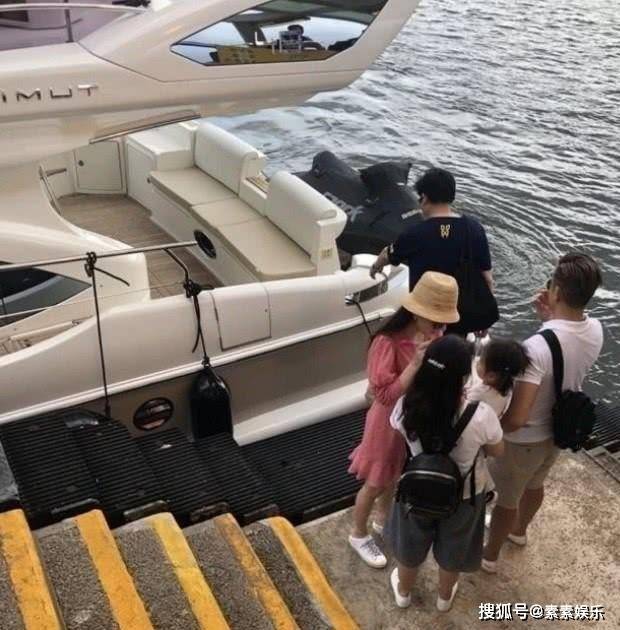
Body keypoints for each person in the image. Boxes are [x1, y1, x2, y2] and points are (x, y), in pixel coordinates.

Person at [482, 253, 603, 573]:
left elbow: (517, 417)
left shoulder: (535, 348)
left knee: (506, 500)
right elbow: (565, 349)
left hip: (525, 441)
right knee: (535, 485)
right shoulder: (595, 329)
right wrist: (548, 320)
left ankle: (489, 556)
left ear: (556, 291)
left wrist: (489, 431)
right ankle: (519, 532)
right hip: (559, 432)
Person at [348, 272, 460, 569]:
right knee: (375, 481)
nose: (440, 328)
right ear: (417, 313)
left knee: (395, 475)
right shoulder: (386, 342)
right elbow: (384, 395)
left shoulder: (434, 336)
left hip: (412, 421)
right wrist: (416, 364)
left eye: (443, 323)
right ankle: (358, 533)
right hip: (386, 423)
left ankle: (383, 519)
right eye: (435, 321)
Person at [386, 335, 504, 611]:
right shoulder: (480, 414)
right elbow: (497, 451)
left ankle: (404, 592)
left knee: (411, 543)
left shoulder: (405, 406)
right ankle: (443, 597)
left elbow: (399, 436)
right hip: (464, 496)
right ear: (463, 378)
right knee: (455, 546)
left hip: (417, 489)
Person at [369, 167, 494, 332]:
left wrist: (376, 267)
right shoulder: (474, 228)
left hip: (425, 317)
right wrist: (483, 318)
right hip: (460, 315)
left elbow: (388, 255)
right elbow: (487, 278)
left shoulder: (415, 233)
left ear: (424, 198)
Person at [467, 338, 531, 419]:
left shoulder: (480, 392)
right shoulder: (506, 392)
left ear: (491, 376)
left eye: (480, 361)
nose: (477, 362)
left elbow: (462, 409)